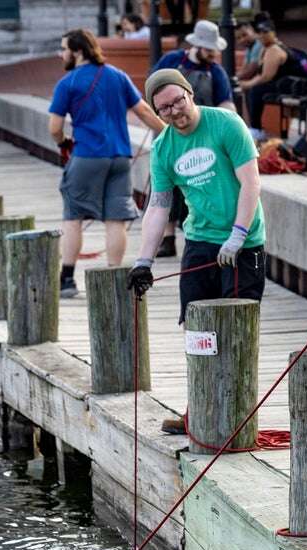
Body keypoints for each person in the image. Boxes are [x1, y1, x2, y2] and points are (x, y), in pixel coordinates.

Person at [127, 69, 267, 433]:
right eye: (164, 109)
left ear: (191, 94)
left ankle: (239, 414)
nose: (175, 112)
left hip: (242, 243)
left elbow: (250, 181)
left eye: (179, 101)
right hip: (200, 241)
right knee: (198, 329)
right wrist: (143, 261)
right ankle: (200, 409)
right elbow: (158, 206)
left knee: (236, 329)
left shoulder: (226, 125)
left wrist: (238, 234)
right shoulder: (164, 148)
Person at [48, 29, 164, 298]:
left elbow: (54, 127)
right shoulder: (117, 76)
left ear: (77, 51)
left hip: (87, 155)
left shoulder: (68, 82)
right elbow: (144, 111)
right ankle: (114, 278)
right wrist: (170, 134)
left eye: (64, 48)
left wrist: (63, 141)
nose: (61, 53)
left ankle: (67, 280)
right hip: (120, 158)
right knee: (116, 218)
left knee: (73, 216)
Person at [153, 19, 236, 259]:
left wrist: (233, 127)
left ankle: (200, 234)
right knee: (167, 187)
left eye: (215, 51)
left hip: (206, 136)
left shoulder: (216, 72)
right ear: (197, 46)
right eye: (210, 50)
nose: (213, 55)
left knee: (198, 183)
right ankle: (167, 239)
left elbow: (226, 103)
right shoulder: (172, 62)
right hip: (173, 133)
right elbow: (154, 93)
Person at [237, 15, 307, 142]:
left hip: (297, 88)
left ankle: (256, 129)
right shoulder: (268, 48)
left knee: (255, 90)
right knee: (253, 88)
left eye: (265, 32)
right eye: (259, 33)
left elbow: (265, 77)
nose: (262, 36)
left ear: (273, 33)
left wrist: (246, 84)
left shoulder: (274, 50)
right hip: (296, 86)